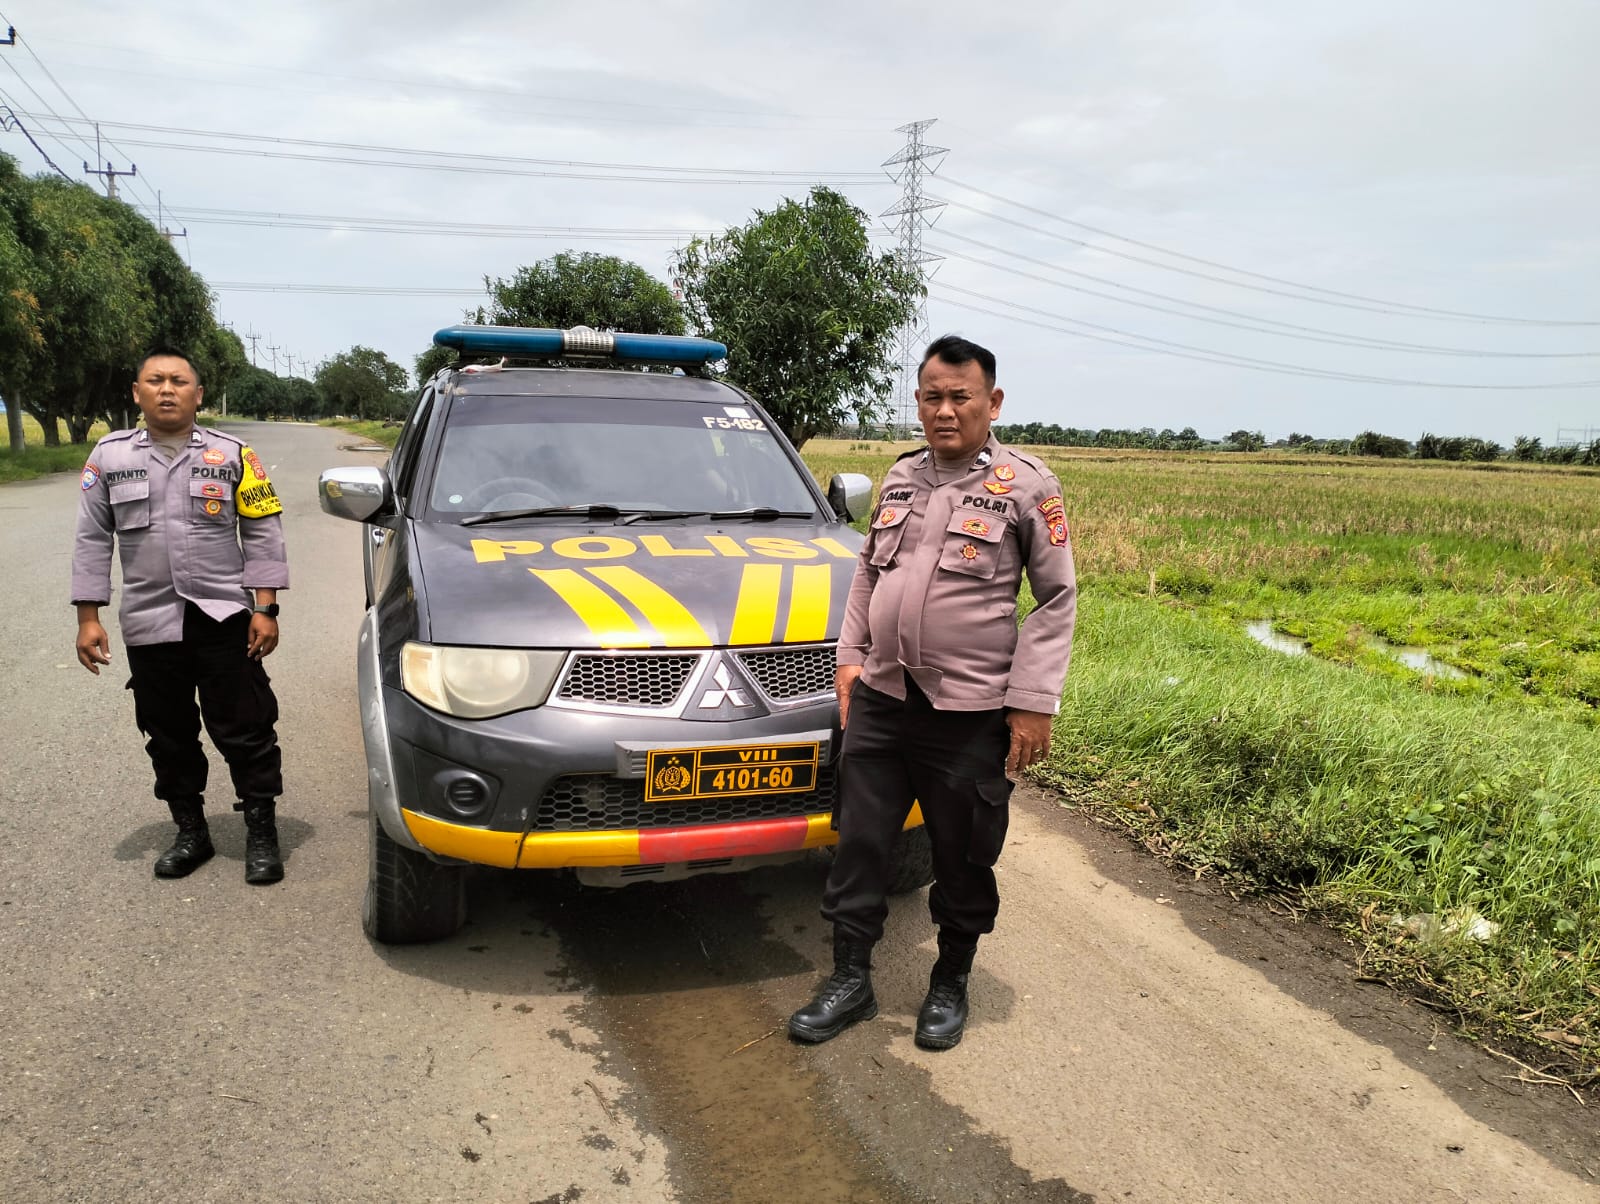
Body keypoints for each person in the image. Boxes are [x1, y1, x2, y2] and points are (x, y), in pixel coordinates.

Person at [789, 334, 1077, 1050]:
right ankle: (850, 979)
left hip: (969, 711)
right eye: (931, 397)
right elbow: (868, 573)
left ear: (992, 402)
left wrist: (1032, 699)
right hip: (883, 698)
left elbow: (1055, 599)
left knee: (963, 852)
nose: (944, 411)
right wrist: (849, 656)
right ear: (918, 402)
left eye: (960, 397)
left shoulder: (1026, 485)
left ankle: (950, 980)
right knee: (860, 842)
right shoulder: (900, 476)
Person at [71, 348, 290, 885]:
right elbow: (92, 539)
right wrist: (88, 617)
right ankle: (191, 832)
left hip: (223, 616)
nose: (166, 390)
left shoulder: (233, 454)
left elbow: (262, 531)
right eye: (155, 380)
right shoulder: (109, 456)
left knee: (246, 728)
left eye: (178, 381)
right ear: (136, 392)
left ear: (198, 394)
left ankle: (262, 832)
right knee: (167, 733)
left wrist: (265, 607)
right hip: (149, 620)